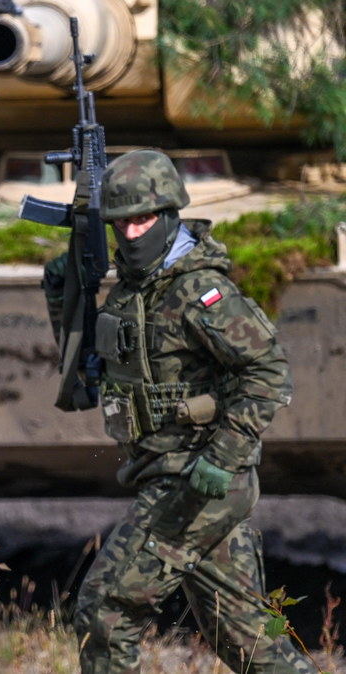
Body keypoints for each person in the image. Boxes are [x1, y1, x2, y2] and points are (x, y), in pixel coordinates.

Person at [43, 149, 314, 673]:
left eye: (143, 219)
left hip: (194, 480)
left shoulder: (199, 291)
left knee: (105, 611)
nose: (131, 232)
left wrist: (224, 456)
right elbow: (89, 373)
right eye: (120, 223)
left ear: (170, 216)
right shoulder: (131, 293)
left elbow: (268, 372)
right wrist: (63, 294)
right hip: (167, 475)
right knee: (246, 640)